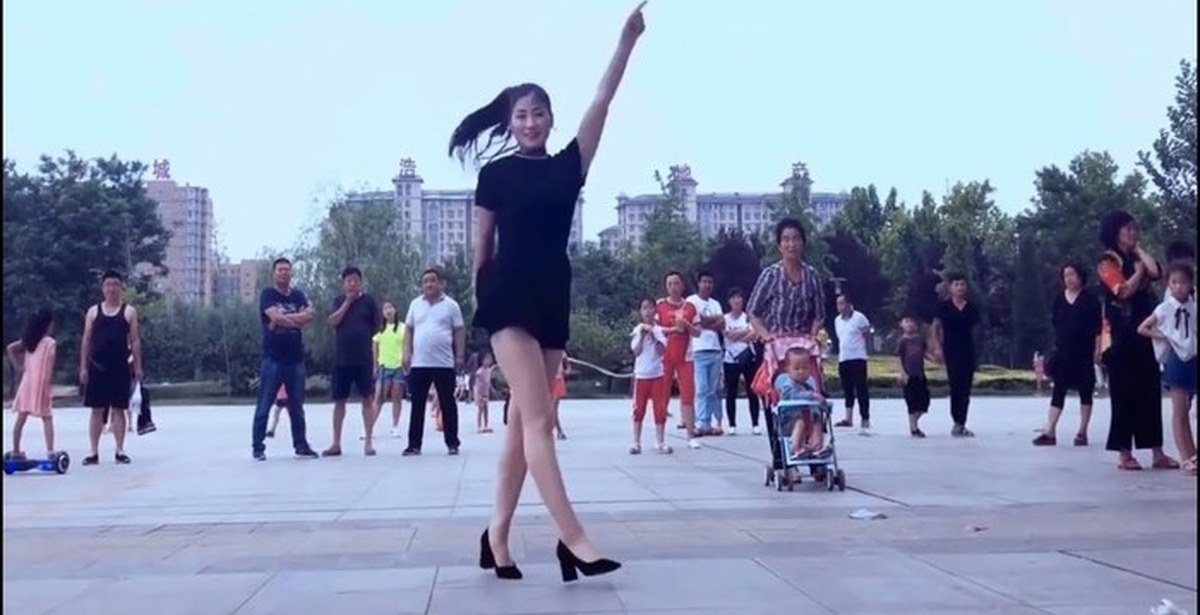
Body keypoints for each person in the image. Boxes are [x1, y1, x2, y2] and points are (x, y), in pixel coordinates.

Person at [452, 1, 644, 583]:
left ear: (552, 120)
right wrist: (481, 297)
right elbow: (482, 244)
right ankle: (573, 539)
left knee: (520, 425)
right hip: (507, 295)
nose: (530, 122)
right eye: (521, 115)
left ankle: (496, 537)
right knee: (539, 420)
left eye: (538, 113)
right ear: (510, 124)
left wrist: (626, 41)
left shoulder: (570, 164)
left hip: (552, 295)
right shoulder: (495, 175)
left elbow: (603, 101)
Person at [1096, 210, 1177, 471]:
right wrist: (1138, 272)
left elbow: (1157, 272)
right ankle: (1124, 453)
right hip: (1121, 336)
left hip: (1145, 333)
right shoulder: (1107, 261)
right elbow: (1122, 291)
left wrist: (1139, 251)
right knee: (1123, 394)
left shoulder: (1137, 257)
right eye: (1127, 229)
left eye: (1134, 228)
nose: (1132, 233)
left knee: (1150, 391)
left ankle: (1157, 452)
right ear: (1115, 232)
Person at [747, 217, 826, 471]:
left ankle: (815, 453)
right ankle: (782, 457)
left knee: (812, 397)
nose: (791, 244)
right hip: (777, 349)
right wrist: (765, 335)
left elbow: (819, 313)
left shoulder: (812, 276)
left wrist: (812, 335)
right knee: (778, 400)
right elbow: (753, 312)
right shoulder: (770, 275)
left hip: (803, 348)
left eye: (796, 239)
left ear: (803, 243)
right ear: (779, 245)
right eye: (786, 240)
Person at [251, 258, 319, 461]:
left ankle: (301, 446)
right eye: (280, 270)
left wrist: (282, 320)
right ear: (274, 273)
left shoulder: (298, 295)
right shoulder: (268, 294)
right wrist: (296, 320)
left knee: (296, 406)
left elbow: (310, 315)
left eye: (287, 270)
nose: (284, 273)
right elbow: (276, 317)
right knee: (264, 404)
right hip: (273, 359)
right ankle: (258, 447)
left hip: (295, 359)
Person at [1033, 264, 1102, 447]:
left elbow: (1098, 329)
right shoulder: (1058, 299)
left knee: (1085, 391)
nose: (1069, 278)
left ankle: (1082, 432)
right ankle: (1050, 431)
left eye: (1072, 274)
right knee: (1058, 389)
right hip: (1063, 351)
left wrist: (1097, 350)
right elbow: (1056, 325)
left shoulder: (1091, 300)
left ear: (1081, 276)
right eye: (1066, 275)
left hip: (1084, 351)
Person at [1138, 263, 1196, 476]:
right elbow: (1142, 328)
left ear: (1191, 284)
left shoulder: (1193, 307)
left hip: (1192, 357)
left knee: (1187, 409)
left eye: (1183, 282)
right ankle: (1185, 457)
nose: (1179, 287)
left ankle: (1193, 454)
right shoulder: (1164, 308)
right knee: (1179, 410)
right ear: (1168, 284)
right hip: (1175, 359)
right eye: (1174, 282)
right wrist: (1164, 336)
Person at [80, 270, 143, 465]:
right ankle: (93, 451)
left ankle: (120, 450)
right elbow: (86, 340)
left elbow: (135, 340)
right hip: (97, 367)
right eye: (108, 285)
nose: (112, 288)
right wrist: (83, 367)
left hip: (120, 367)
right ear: (102, 288)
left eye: (115, 284)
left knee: (119, 409)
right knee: (96, 410)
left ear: (121, 287)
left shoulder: (129, 312)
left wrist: (138, 368)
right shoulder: (93, 312)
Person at [401, 268, 465, 456]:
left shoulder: (451, 305)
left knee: (447, 403)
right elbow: (408, 329)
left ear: (440, 283)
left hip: (444, 362)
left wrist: (460, 356)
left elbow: (459, 330)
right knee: (417, 404)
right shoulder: (415, 304)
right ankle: (414, 445)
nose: (429, 284)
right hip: (419, 363)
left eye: (433, 280)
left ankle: (452, 443)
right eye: (425, 281)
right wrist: (406, 353)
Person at [322, 267, 382, 457]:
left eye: (355, 280)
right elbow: (332, 321)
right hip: (342, 360)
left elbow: (377, 326)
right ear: (343, 284)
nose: (352, 284)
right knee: (339, 401)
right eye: (348, 281)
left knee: (367, 399)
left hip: (363, 359)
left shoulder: (369, 302)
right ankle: (336, 443)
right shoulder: (338, 301)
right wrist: (347, 302)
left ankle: (369, 442)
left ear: (361, 282)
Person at [930, 273, 980, 438]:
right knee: (956, 386)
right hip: (951, 350)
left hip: (968, 351)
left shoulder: (971, 308)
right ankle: (957, 421)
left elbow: (976, 330)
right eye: (956, 284)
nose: (960, 287)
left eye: (962, 284)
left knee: (965, 388)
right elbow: (935, 327)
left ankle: (961, 422)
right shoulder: (943, 307)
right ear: (950, 288)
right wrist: (936, 347)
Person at [7, 309, 58, 460]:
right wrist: (48, 384)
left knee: (21, 417)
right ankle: (50, 451)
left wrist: (18, 367)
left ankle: (16, 450)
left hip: (27, 383)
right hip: (41, 384)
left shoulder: (29, 341)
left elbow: (10, 348)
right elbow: (49, 365)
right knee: (47, 417)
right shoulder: (50, 343)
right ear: (47, 325)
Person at [657, 271, 700, 448]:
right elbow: (655, 330)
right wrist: (674, 329)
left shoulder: (690, 307)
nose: (673, 287)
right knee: (662, 396)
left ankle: (690, 435)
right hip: (664, 357)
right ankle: (660, 438)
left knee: (688, 395)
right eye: (670, 284)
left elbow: (698, 332)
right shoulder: (660, 305)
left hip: (685, 357)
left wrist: (686, 325)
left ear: (682, 285)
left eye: (676, 283)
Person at [630, 298, 671, 454]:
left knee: (659, 409)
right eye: (644, 308)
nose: (648, 311)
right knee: (638, 409)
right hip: (641, 375)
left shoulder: (659, 331)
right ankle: (636, 442)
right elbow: (636, 352)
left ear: (655, 310)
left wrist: (653, 335)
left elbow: (661, 351)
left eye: (650, 308)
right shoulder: (637, 330)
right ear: (641, 312)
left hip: (657, 375)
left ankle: (660, 442)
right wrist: (642, 336)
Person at [688, 270, 725, 436]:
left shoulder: (715, 303)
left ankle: (709, 422)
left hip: (715, 349)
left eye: (710, 282)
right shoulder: (692, 301)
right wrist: (709, 321)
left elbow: (721, 323)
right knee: (701, 388)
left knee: (712, 390)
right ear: (699, 283)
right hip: (698, 349)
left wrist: (706, 322)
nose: (707, 285)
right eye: (704, 282)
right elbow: (697, 321)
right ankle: (700, 422)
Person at [772, 348, 827, 457]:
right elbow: (793, 395)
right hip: (789, 420)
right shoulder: (786, 385)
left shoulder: (810, 383)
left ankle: (817, 447)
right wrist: (811, 396)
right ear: (788, 369)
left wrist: (822, 404)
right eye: (796, 369)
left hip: (809, 417)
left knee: (817, 422)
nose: (801, 372)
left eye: (805, 368)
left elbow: (817, 399)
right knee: (800, 422)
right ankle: (795, 448)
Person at [722, 287, 761, 435]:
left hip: (747, 357)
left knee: (752, 391)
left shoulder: (748, 317)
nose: (736, 301)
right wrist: (745, 332)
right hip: (730, 359)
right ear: (729, 301)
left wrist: (739, 335)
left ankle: (755, 423)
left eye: (739, 298)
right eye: (733, 298)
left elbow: (754, 333)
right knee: (731, 392)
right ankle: (732, 424)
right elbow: (727, 335)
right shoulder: (725, 319)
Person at [832, 294, 872, 430]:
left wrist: (863, 349)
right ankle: (848, 418)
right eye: (838, 304)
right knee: (847, 388)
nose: (840, 307)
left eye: (842, 303)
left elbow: (867, 335)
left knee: (861, 388)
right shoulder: (837, 320)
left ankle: (865, 417)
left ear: (849, 304)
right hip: (844, 357)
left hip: (858, 357)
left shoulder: (859, 318)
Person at [374, 300, 407, 438]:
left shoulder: (403, 328)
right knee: (378, 398)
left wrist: (406, 361)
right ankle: (369, 428)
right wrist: (375, 365)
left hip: (398, 367)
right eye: (385, 308)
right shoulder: (380, 329)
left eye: (390, 307)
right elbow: (375, 346)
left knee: (396, 397)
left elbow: (407, 345)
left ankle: (395, 426)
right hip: (383, 367)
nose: (388, 311)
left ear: (395, 310)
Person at [897, 316, 932, 437]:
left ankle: (914, 422)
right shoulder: (902, 341)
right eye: (906, 322)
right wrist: (903, 373)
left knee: (924, 402)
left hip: (920, 374)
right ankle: (914, 428)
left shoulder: (919, 339)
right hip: (909, 375)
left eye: (911, 321)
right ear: (901, 325)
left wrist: (935, 358)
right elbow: (898, 358)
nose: (909, 324)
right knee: (911, 402)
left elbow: (926, 353)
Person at [475, 353, 496, 433]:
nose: (488, 361)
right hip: (480, 393)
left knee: (486, 409)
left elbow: (488, 382)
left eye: (490, 359)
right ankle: (479, 426)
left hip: (486, 393)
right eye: (487, 359)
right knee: (480, 409)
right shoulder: (479, 372)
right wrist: (477, 395)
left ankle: (486, 425)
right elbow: (477, 384)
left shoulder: (488, 370)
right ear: (482, 361)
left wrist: (491, 389)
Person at [551, 355, 569, 440]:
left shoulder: (561, 352)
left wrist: (566, 371)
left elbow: (568, 365)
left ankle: (559, 431)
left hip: (558, 381)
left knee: (553, 407)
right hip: (546, 380)